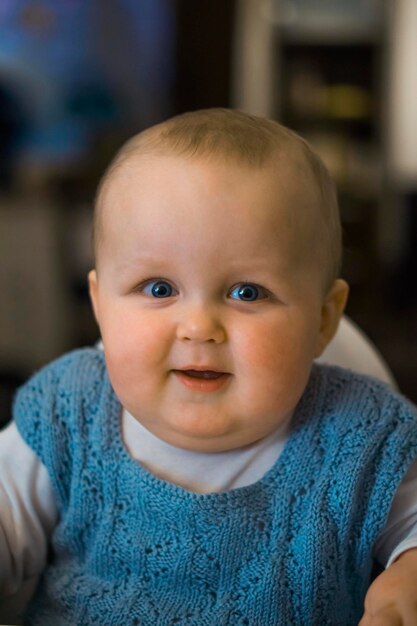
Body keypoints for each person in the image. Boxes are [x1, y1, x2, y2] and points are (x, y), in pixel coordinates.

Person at [1, 108, 417, 626]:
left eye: (247, 292)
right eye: (159, 289)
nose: (199, 326)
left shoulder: (363, 437)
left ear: (323, 319)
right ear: (100, 306)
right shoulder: (68, 413)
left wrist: (406, 576)